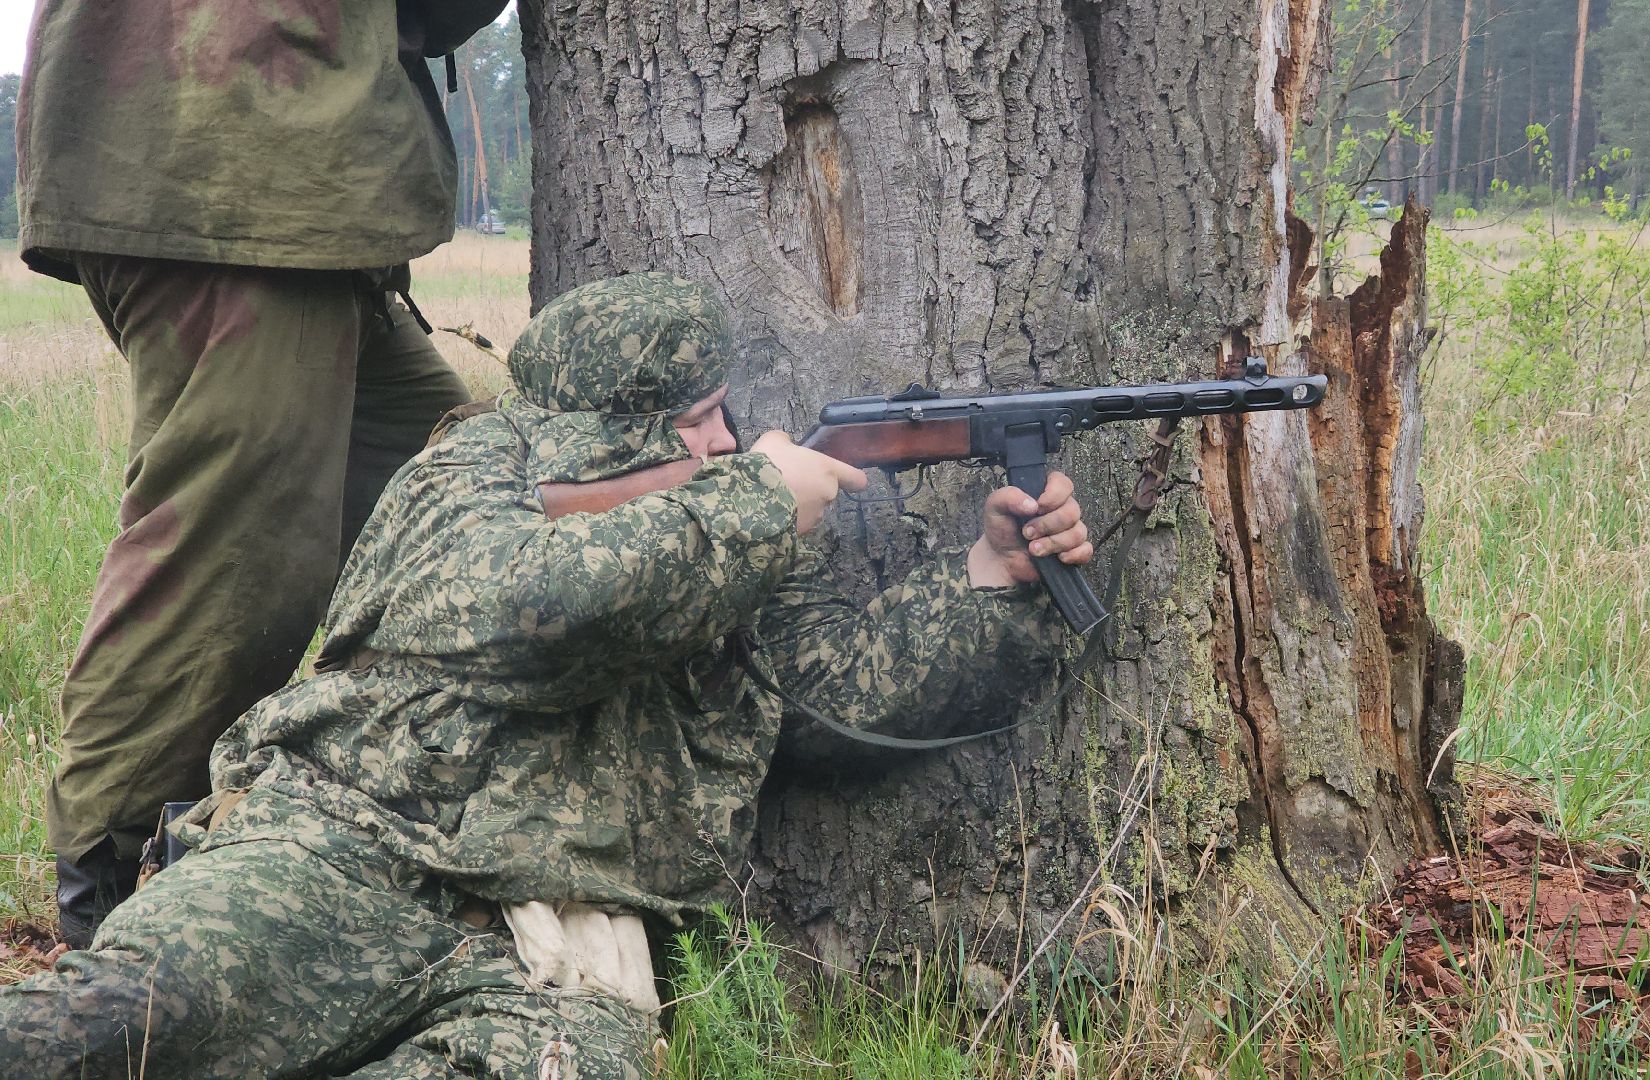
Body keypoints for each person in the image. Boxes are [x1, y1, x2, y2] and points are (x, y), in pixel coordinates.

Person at [0, 273, 1092, 1079]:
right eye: (696, 422)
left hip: (553, 942)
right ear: (609, 437)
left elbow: (832, 700)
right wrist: (756, 504)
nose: (727, 442)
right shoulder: (469, 471)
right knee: (113, 1019)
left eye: (723, 412)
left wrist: (990, 577)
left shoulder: (730, 523)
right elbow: (527, 608)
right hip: (335, 854)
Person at [15, 0, 511, 946]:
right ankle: (111, 906)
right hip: (237, 171)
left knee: (459, 505)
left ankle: (397, 831)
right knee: (232, 562)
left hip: (255, 170)